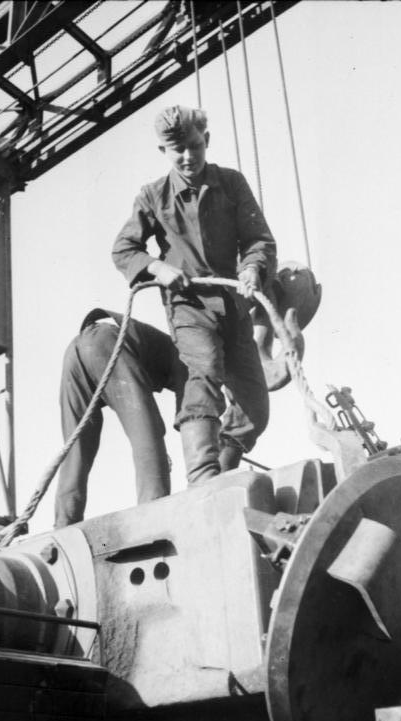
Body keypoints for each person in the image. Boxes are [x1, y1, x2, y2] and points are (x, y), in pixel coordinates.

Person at [112, 105, 277, 486]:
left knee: (255, 403)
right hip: (189, 307)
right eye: (177, 150)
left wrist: (252, 267)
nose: (188, 157)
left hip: (233, 304)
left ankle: (221, 472)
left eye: (194, 146)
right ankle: (203, 480)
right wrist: (158, 268)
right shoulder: (153, 196)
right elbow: (124, 249)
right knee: (202, 373)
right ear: (163, 152)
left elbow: (258, 239)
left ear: (207, 140)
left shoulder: (232, 184)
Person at [54, 308, 182, 527]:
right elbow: (192, 414)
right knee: (147, 434)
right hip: (106, 342)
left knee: (75, 450)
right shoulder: (192, 359)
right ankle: (154, 518)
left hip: (75, 350)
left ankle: (64, 524)